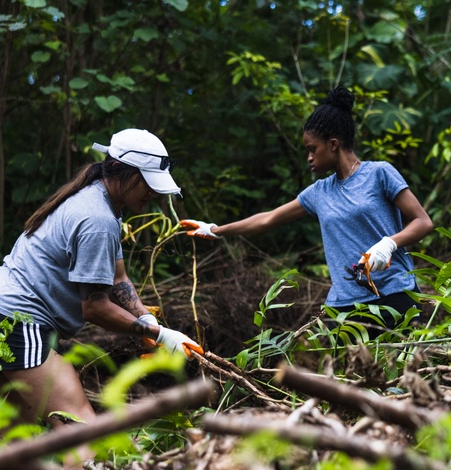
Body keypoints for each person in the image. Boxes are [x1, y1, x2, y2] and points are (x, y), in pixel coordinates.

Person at [0, 128, 202, 452]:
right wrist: (161, 337)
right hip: (14, 320)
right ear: (123, 172)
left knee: (13, 437)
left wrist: (150, 322)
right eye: (148, 184)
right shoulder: (97, 218)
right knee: (80, 426)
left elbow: (118, 279)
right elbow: (95, 307)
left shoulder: (97, 203)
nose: (153, 195)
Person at [180, 86, 433, 332]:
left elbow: (422, 221)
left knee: (408, 372)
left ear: (333, 144)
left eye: (312, 149)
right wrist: (215, 230)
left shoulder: (379, 174)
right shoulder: (319, 193)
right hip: (346, 308)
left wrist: (388, 244)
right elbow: (268, 219)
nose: (309, 157)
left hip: (395, 297)